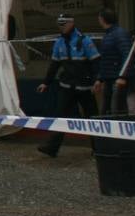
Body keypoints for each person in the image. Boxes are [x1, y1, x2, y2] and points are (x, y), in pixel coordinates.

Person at [36, 13, 100, 157]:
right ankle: (52, 147)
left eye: (64, 23)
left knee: (92, 118)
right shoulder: (59, 43)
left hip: (84, 87)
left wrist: (97, 80)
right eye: (59, 23)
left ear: (72, 23)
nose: (61, 26)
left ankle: (99, 148)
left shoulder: (84, 40)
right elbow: (54, 65)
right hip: (66, 86)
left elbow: (96, 62)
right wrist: (46, 83)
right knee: (60, 117)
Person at [92, 9, 133, 115]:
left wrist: (123, 77)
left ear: (102, 19)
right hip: (109, 79)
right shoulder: (108, 35)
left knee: (116, 110)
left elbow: (127, 55)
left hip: (117, 79)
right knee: (106, 111)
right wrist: (100, 79)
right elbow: (105, 59)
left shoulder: (119, 34)